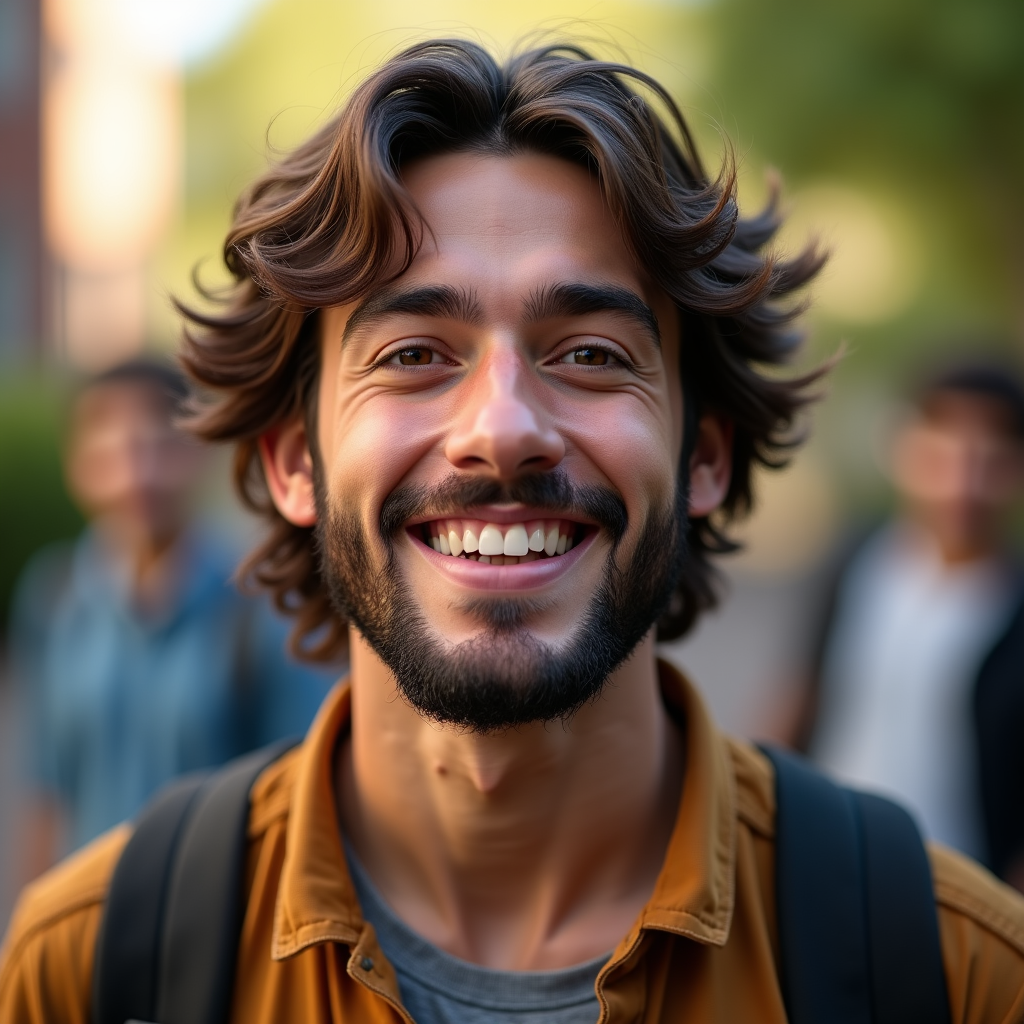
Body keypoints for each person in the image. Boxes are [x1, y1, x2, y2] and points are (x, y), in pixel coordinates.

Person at [3, 40, 1024, 1023]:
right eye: (411, 353)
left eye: (587, 352)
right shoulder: (84, 967)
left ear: (702, 455)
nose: (500, 429)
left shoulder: (958, 971)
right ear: (295, 463)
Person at [7, 358, 337, 876]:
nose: (137, 473)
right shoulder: (55, 597)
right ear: (75, 462)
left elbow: (300, 797)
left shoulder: (261, 609)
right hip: (86, 927)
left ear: (199, 449)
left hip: (211, 927)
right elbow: (48, 787)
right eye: (109, 447)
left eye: (158, 444)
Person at [799, 361, 1024, 876]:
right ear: (908, 449)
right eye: (945, 454)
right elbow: (802, 696)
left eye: (990, 460)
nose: (965, 483)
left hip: (956, 899)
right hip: (826, 859)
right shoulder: (858, 562)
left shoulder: (1014, 608)